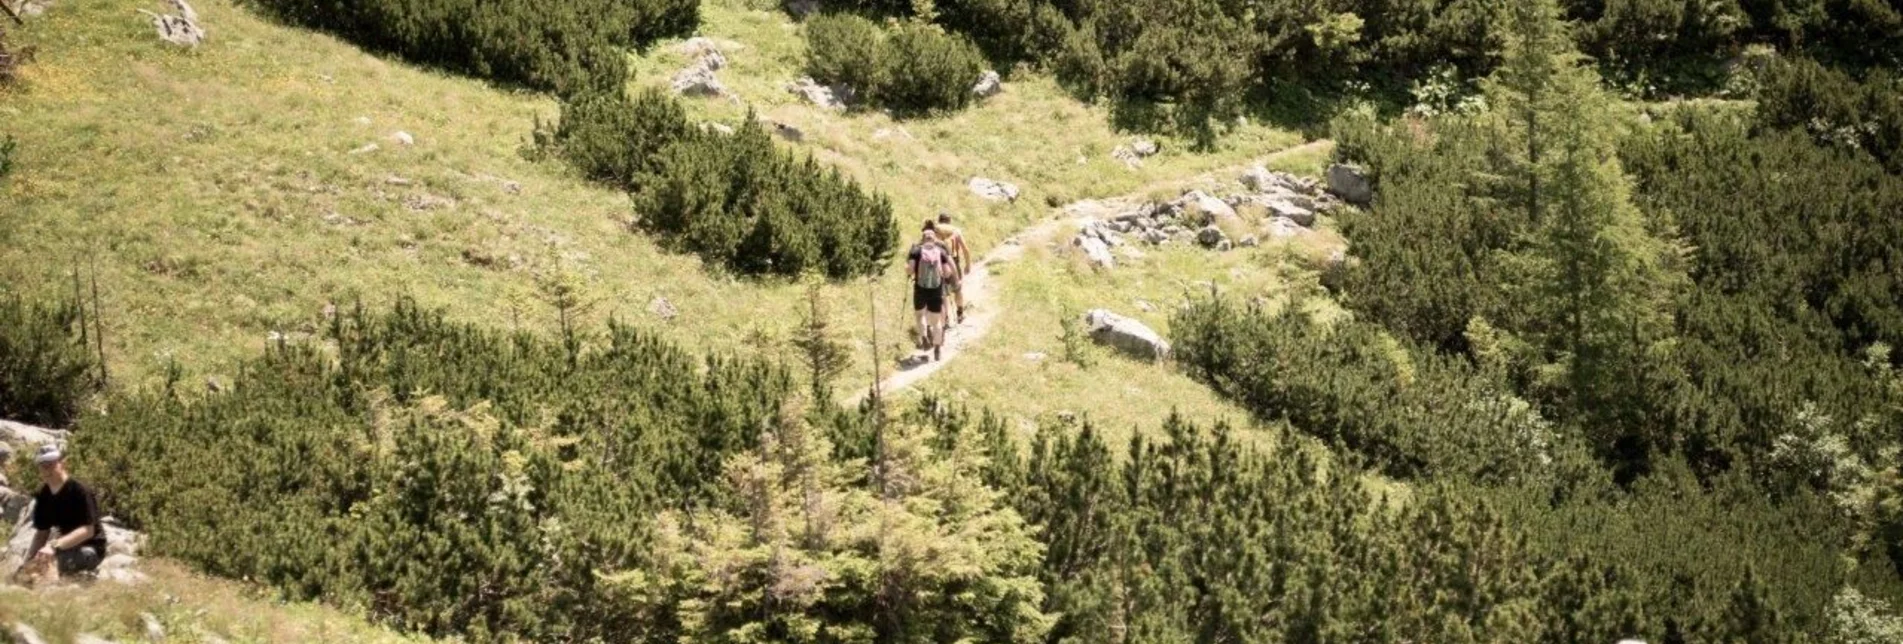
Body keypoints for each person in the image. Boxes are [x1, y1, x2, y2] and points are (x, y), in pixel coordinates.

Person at [17, 444, 107, 581]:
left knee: (49, 565)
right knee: (24, 572)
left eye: (50, 464)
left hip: (90, 549)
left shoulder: (80, 491)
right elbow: (41, 533)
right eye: (42, 465)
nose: (46, 469)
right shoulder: (44, 495)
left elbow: (88, 531)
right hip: (64, 547)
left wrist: (53, 547)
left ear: (62, 463)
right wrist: (29, 561)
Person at [906, 221, 958, 361]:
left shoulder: (916, 250)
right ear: (934, 239)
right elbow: (947, 272)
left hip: (920, 288)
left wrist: (908, 271)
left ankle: (924, 337)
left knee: (920, 315)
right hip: (936, 289)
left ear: (922, 239)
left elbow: (910, 270)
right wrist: (946, 277)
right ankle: (937, 349)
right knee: (936, 322)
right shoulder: (940, 251)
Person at [935, 212, 973, 323]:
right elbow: (965, 249)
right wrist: (967, 265)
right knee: (957, 289)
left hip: (939, 263)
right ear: (949, 221)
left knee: (942, 292)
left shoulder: (935, 231)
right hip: (954, 263)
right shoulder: (956, 231)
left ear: (939, 220)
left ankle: (945, 318)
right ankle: (960, 313)